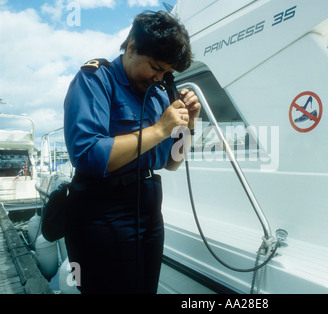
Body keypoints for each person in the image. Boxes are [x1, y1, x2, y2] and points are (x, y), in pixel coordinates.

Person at [63, 10, 200, 294]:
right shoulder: (96, 79)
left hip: (148, 210)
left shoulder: (160, 95)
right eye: (154, 67)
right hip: (102, 210)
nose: (158, 78)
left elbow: (170, 162)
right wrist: (161, 129)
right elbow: (87, 154)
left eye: (166, 73)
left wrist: (189, 125)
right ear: (132, 46)